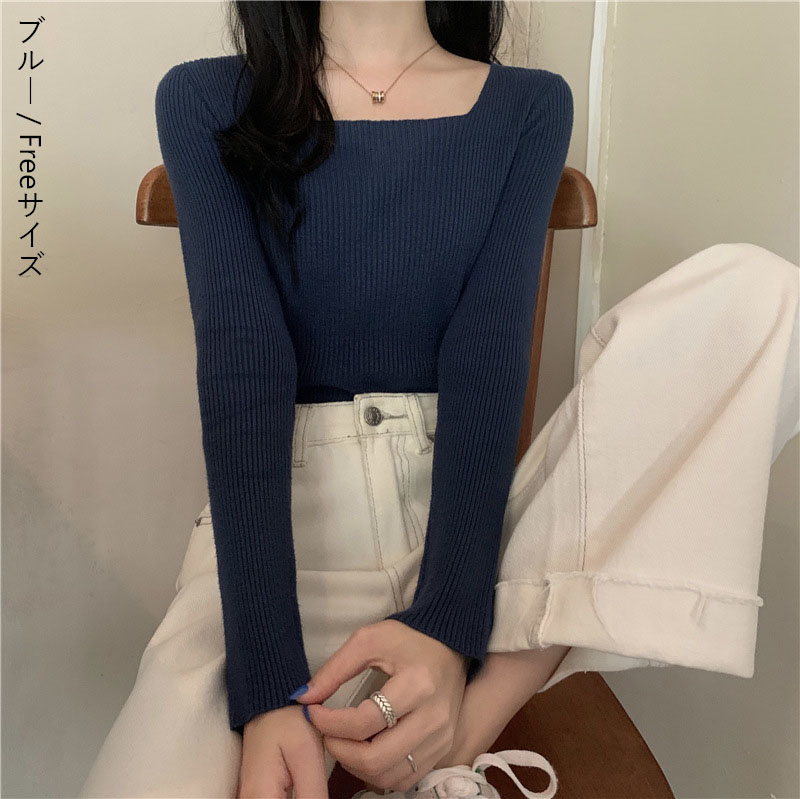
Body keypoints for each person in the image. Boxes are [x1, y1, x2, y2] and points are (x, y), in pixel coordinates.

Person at [79, 1, 800, 797]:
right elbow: (242, 370)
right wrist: (268, 690)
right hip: (277, 551)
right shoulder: (203, 99)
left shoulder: (528, 106)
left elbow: (486, 360)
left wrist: (451, 631)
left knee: (760, 297)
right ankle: (431, 749)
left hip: (473, 531)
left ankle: (463, 724)